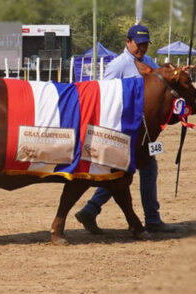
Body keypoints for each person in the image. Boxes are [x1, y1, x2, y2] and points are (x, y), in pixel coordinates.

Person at [75, 24, 182, 234]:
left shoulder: (149, 63)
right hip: (123, 132)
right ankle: (95, 210)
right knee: (120, 176)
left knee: (143, 171)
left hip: (144, 134)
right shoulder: (118, 65)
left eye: (145, 44)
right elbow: (105, 97)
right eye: (138, 44)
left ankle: (96, 210)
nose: (142, 48)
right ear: (128, 42)